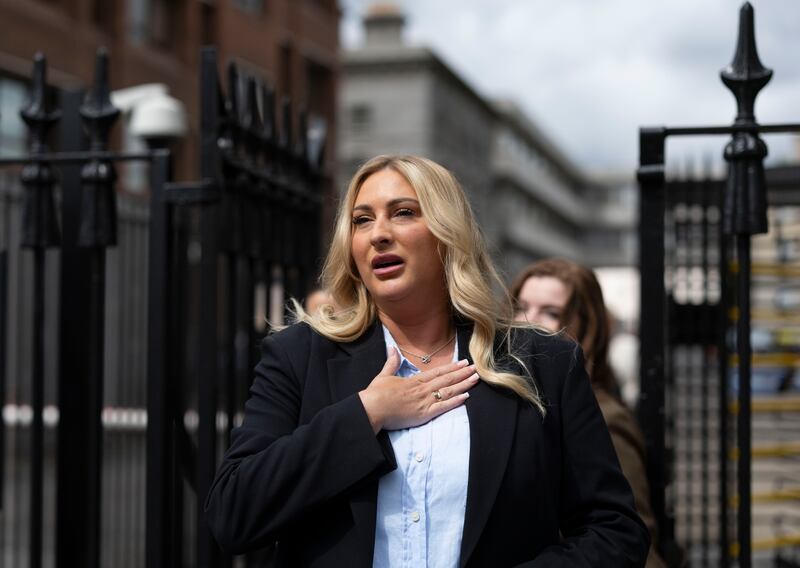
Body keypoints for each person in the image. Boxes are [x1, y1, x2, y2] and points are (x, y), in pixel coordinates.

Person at [205, 155, 649, 566]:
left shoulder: (544, 362)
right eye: (362, 220)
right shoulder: (299, 355)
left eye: (403, 212)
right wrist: (367, 413)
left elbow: (615, 532)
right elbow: (232, 514)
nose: (379, 233)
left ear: (447, 233)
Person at [510, 258, 666, 568]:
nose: (528, 321)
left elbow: (630, 539)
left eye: (551, 312)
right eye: (521, 307)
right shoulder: (515, 402)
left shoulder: (603, 419)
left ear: (587, 325)